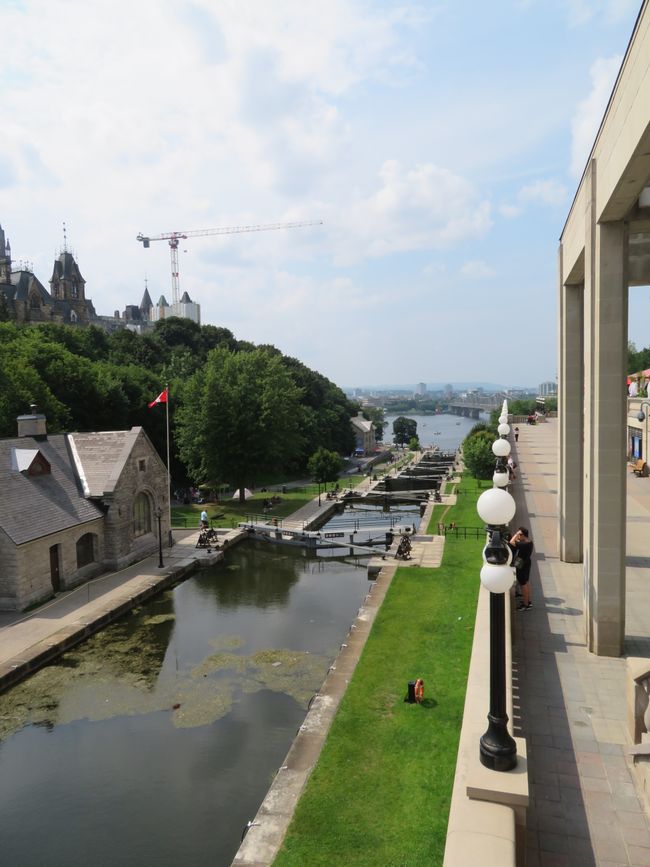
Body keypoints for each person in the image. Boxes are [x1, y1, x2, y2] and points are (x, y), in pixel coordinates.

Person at [509, 527, 534, 610]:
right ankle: (528, 601)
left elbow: (511, 542)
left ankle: (525, 605)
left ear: (522, 535)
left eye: (519, 534)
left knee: (523, 584)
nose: (518, 536)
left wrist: (515, 535)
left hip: (521, 564)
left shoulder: (524, 544)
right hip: (526, 563)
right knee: (526, 582)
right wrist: (518, 535)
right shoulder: (529, 542)